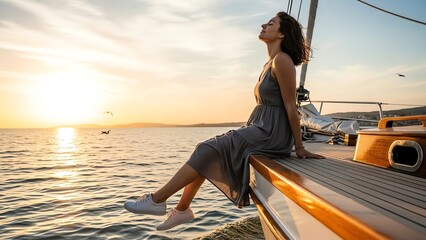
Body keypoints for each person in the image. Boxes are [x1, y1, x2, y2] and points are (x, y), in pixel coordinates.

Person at [124, 11, 325, 231]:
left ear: (282, 34)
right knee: (206, 150)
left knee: (208, 148)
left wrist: (299, 146)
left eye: (270, 23)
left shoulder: (282, 60)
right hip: (260, 127)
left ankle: (158, 199)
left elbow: (290, 106)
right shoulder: (268, 64)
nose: (263, 25)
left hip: (272, 133)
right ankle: (181, 210)